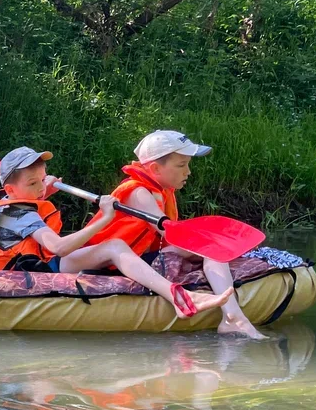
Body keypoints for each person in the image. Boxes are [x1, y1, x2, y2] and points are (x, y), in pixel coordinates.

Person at [0, 146, 232, 320]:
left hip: (36, 263)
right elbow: (60, 247)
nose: (41, 187)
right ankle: (178, 297)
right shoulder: (17, 213)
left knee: (114, 247)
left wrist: (41, 191)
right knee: (114, 246)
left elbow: (28, 208)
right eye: (32, 183)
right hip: (26, 273)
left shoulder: (7, 200)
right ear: (11, 189)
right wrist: (105, 217)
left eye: (43, 178)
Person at [83, 130, 265, 338]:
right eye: (181, 165)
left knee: (212, 250)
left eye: (188, 164)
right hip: (115, 261)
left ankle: (233, 317)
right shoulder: (137, 192)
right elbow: (168, 232)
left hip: (138, 255)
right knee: (209, 249)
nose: (188, 172)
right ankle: (233, 318)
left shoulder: (161, 189)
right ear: (155, 168)